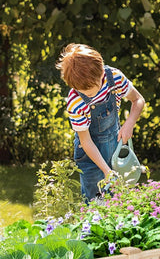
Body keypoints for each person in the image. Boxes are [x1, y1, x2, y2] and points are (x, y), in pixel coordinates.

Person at [56, 43, 145, 201]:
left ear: (101, 71)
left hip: (114, 147)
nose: (90, 94)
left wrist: (129, 123)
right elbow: (86, 141)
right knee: (95, 202)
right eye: (84, 91)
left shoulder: (114, 77)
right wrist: (107, 171)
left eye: (92, 88)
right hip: (90, 155)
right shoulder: (75, 101)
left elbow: (138, 100)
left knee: (120, 199)